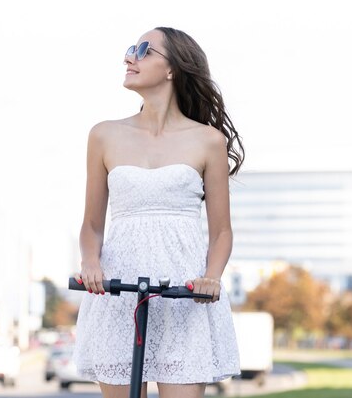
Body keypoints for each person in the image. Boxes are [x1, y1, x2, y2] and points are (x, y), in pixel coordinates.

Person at [73, 26, 245, 398]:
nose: (129, 57)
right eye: (132, 48)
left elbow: (221, 233)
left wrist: (211, 278)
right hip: (118, 294)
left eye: (144, 50)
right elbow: (91, 223)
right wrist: (90, 262)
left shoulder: (208, 141)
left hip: (184, 296)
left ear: (172, 69)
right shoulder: (104, 135)